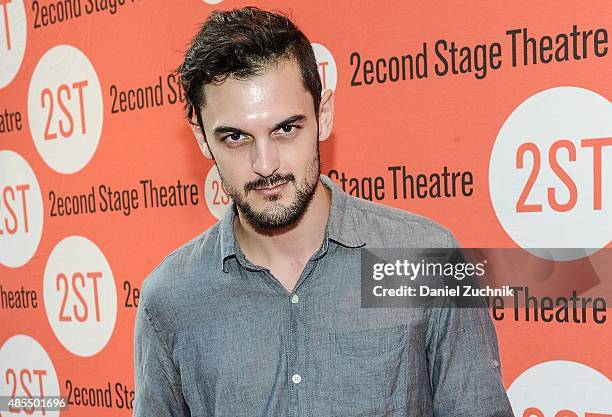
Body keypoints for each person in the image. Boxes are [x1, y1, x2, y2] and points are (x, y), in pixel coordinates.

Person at [133, 6, 514, 417]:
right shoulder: (170, 298)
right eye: (235, 137)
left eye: (285, 128)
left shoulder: (425, 259)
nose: (265, 164)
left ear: (323, 115)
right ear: (203, 139)